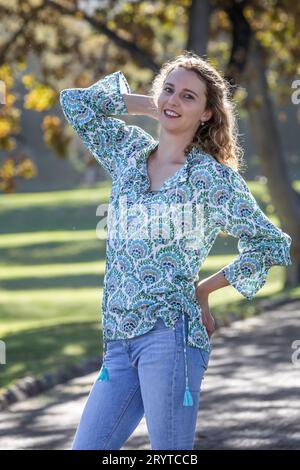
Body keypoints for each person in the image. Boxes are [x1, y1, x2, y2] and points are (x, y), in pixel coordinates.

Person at [59, 51, 292, 450]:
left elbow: (270, 243)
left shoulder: (211, 178)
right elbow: (74, 103)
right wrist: (155, 106)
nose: (173, 100)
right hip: (117, 341)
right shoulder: (128, 153)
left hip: (171, 337)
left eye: (188, 97)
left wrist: (204, 290)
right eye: (168, 90)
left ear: (206, 113)